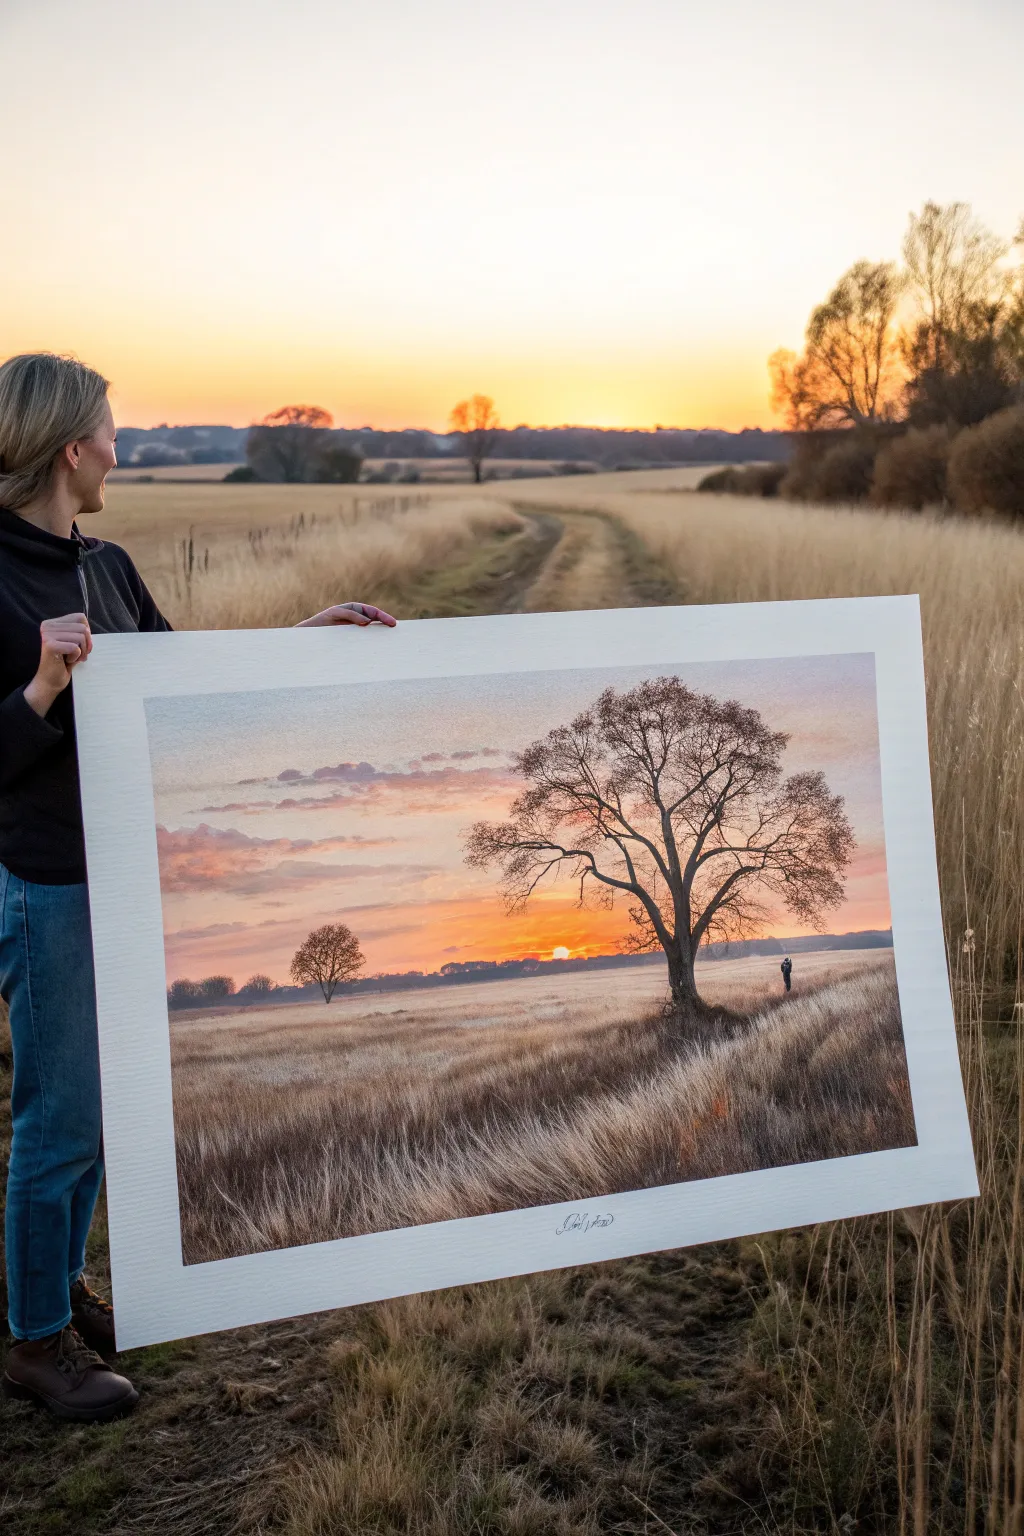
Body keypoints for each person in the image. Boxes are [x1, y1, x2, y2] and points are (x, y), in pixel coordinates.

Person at [0, 352, 396, 1423]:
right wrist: (40, 684)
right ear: (71, 448)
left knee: (103, 1111)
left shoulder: (109, 565)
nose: (120, 450)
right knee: (60, 1119)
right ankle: (35, 1345)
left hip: (130, 873)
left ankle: (58, 1289)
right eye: (113, 433)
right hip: (51, 887)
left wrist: (307, 639)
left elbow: (179, 686)